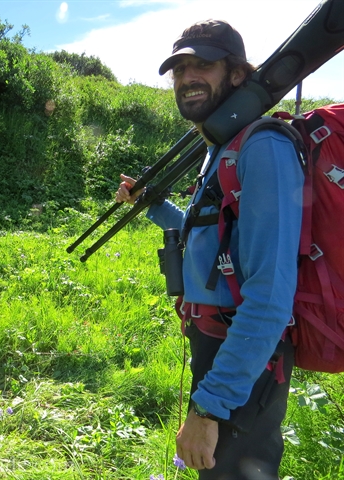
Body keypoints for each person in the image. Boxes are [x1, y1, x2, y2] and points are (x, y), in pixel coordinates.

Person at [116, 20, 304, 480]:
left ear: (237, 74)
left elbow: (270, 294)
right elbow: (213, 239)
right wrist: (156, 206)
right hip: (217, 341)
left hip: (246, 356)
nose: (187, 78)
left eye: (203, 65)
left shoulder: (262, 147)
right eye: (179, 70)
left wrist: (211, 406)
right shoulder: (222, 147)